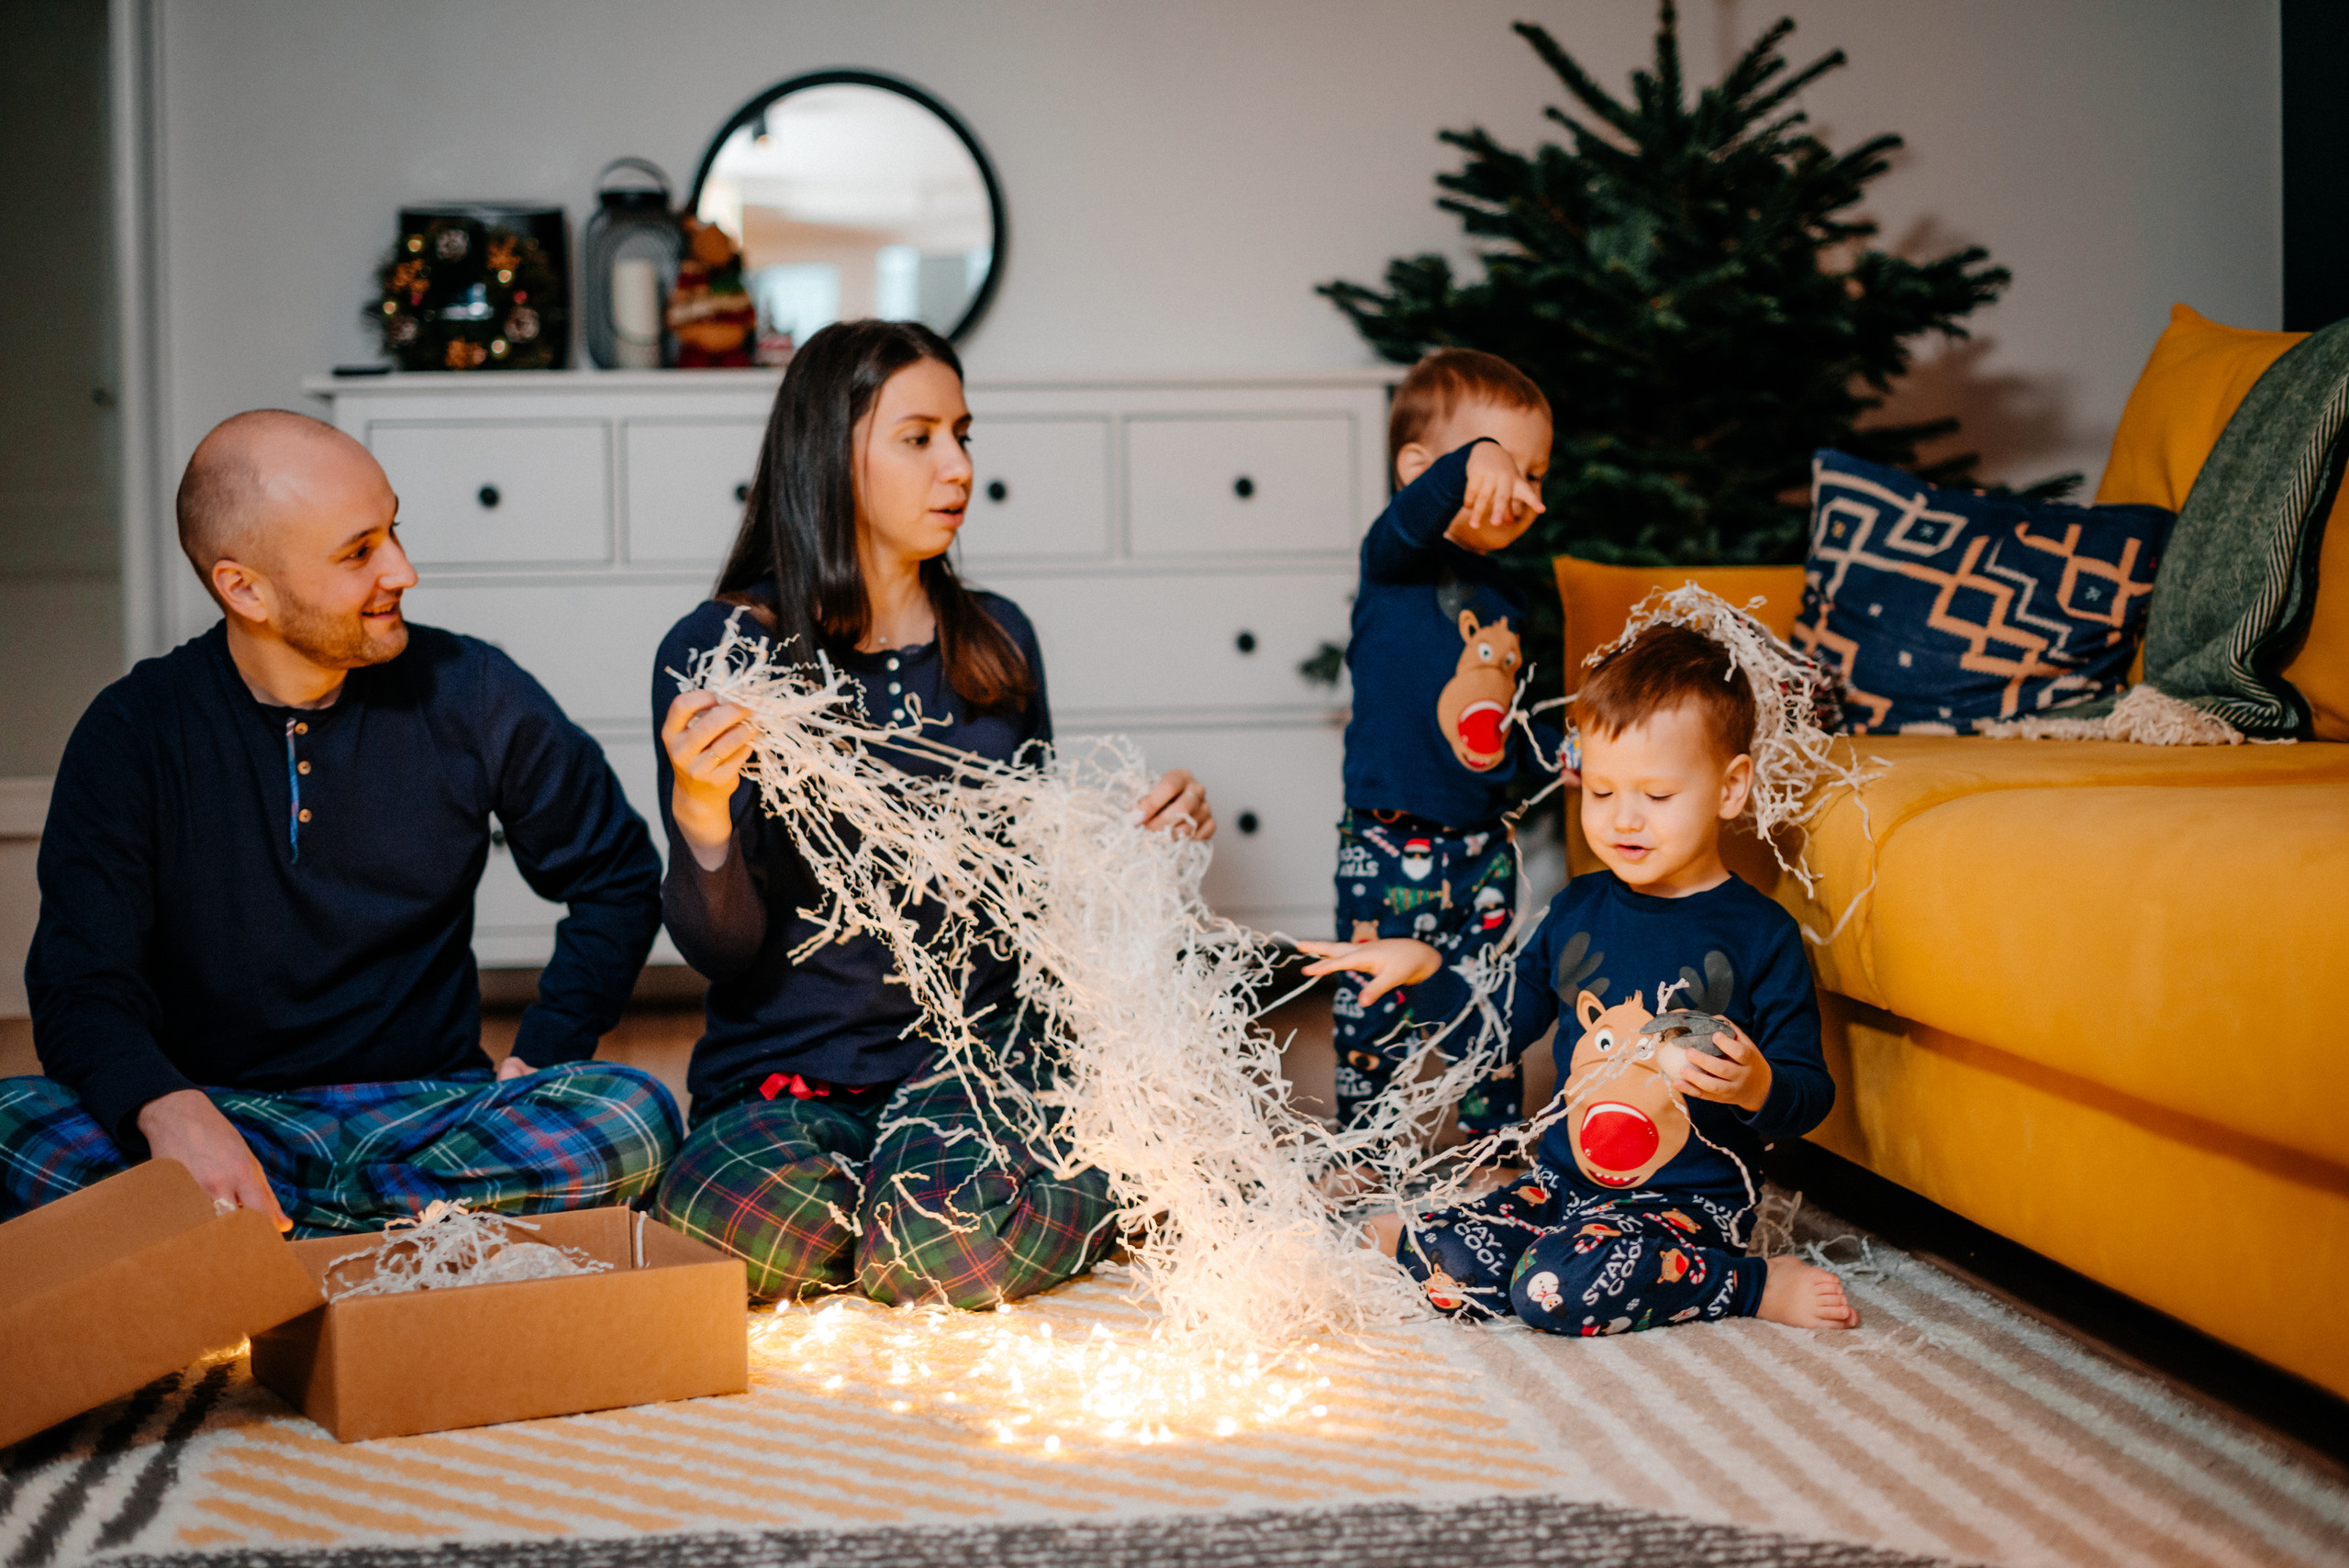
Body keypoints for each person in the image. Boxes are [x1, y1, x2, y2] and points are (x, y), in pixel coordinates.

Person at [651, 319, 1216, 1307]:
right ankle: (908, 1209)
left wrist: (1132, 848)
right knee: (722, 1227)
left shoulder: (996, 638)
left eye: (962, 433)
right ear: (830, 453)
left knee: (935, 1250)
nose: (956, 466)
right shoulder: (726, 648)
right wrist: (701, 815)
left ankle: (1110, 1177)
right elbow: (722, 949)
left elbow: (1031, 895)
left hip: (970, 1058)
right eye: (919, 437)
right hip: (786, 1068)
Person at [0, 411, 678, 1234]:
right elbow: (80, 983)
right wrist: (164, 1105)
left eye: (393, 530)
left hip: (433, 1114)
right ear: (242, 587)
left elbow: (618, 875)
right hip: (224, 1117)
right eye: (359, 552)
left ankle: (265, 1240)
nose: (403, 569)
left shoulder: (474, 690)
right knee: (15, 1120)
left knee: (635, 1114)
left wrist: (549, 1045)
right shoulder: (132, 731)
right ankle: (406, 1233)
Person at [1301, 625, 1859, 1334]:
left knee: (1550, 1290)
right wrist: (1426, 970)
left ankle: (1749, 1285)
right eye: (1601, 790)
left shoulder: (1760, 933)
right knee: (1436, 1254)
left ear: (1730, 787)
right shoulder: (1577, 910)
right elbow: (1496, 1032)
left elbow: (1809, 1093)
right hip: (1562, 1189)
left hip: (1683, 1212)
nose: (1624, 817)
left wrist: (1756, 1085)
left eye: (1656, 794)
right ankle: (1538, 1251)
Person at [1330, 349, 1558, 1136]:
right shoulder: (1393, 561)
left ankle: (1491, 1142)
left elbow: (1504, 727)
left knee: (1489, 996)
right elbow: (1415, 514)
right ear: (1421, 468)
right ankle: (1367, 1140)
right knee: (1373, 1002)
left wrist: (1560, 754)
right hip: (1384, 841)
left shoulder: (1509, 596)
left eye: (1537, 474)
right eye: (1504, 469)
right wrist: (1471, 463)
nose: (1525, 493)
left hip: (1482, 842)